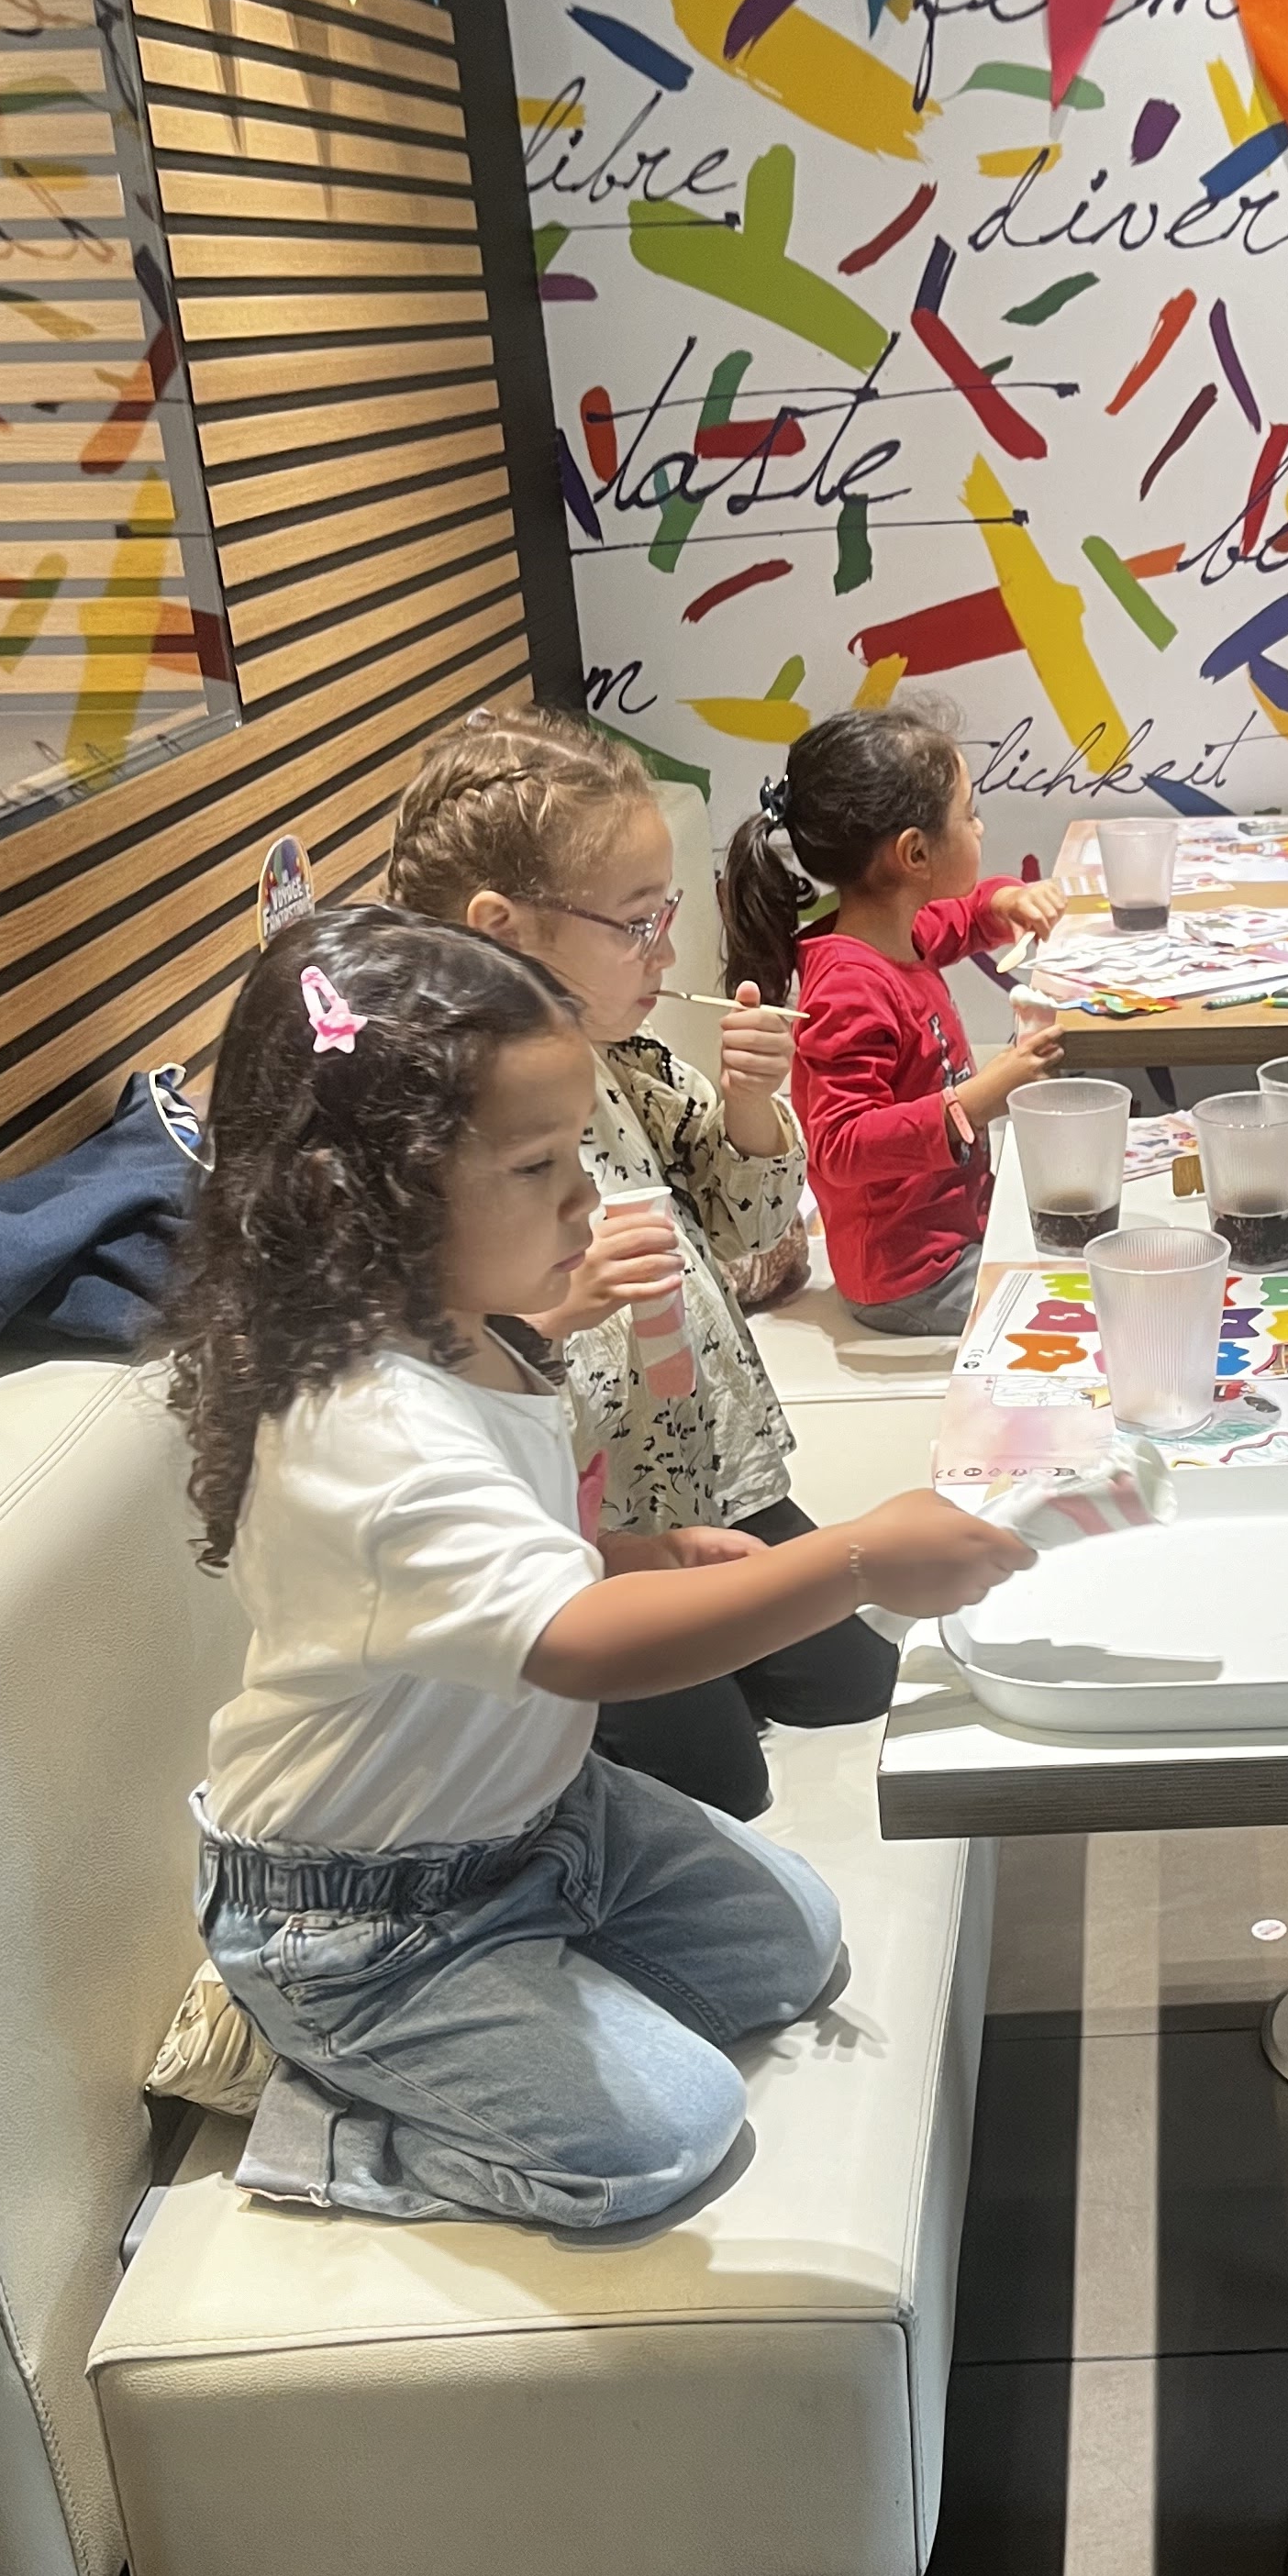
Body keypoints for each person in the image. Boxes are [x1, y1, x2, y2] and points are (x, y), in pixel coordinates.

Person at [161, 907, 1032, 2231]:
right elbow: (575, 1643)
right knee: (663, 2135)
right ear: (360, 1197)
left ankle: (523, 1996)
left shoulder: (475, 1332)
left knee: (789, 1947)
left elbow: (520, 1550)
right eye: (536, 1167)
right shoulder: (367, 1430)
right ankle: (319, 2111)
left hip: (541, 1823)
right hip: (362, 1920)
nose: (585, 1195)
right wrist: (851, 1560)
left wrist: (640, 1550)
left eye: (576, 1150)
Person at [383, 707, 880, 1823]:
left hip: (708, 1476)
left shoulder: (620, 1061)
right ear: (505, 931)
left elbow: (751, 1228)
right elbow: (419, 1376)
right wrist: (558, 1310)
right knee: (724, 1784)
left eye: (668, 915)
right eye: (637, 923)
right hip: (581, 1541)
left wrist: (750, 1103)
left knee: (856, 1685)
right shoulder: (430, 1125)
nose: (664, 950)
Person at [719, 699, 1064, 1338]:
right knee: (1074, 1302)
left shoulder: (897, 931)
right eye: (969, 814)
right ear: (914, 854)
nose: (980, 828)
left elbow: (963, 917)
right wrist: (978, 1100)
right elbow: (839, 1146)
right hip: (912, 1277)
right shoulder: (849, 986)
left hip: (955, 1232)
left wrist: (1007, 900)